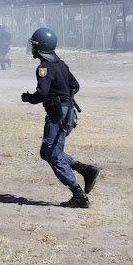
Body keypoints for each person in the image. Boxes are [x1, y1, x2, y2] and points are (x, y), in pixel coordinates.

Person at [21, 28, 100, 208]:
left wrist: (28, 98)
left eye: (33, 46)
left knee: (51, 154)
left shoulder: (44, 67)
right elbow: (75, 85)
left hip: (58, 115)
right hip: (68, 113)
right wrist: (64, 98)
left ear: (40, 47)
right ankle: (85, 169)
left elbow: (42, 93)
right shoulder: (61, 64)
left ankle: (79, 195)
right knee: (49, 152)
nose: (31, 49)